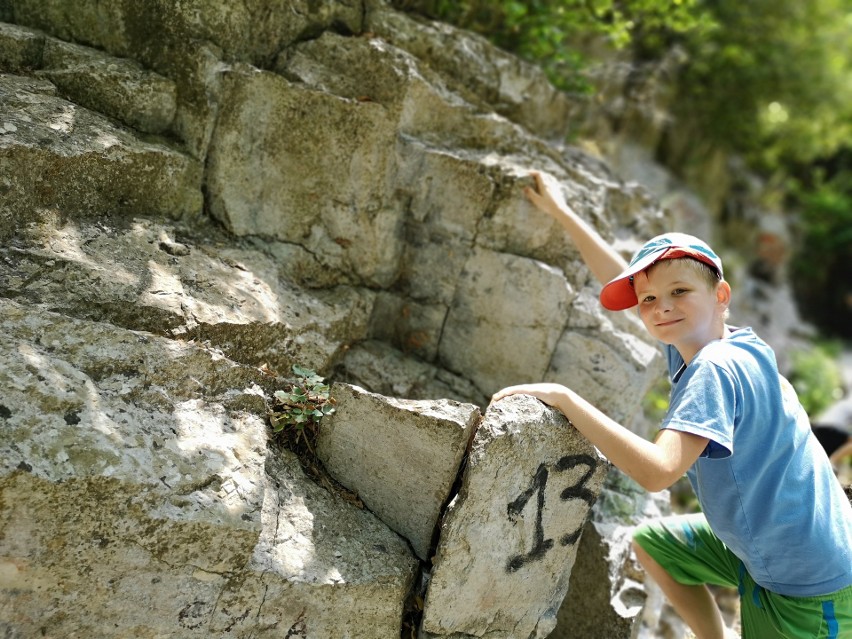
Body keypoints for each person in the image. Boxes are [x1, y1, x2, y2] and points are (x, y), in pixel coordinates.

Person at [492, 172, 852, 639]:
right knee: (653, 545)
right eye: (649, 300)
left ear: (720, 295)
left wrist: (565, 399)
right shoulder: (716, 340)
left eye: (679, 292)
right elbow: (621, 281)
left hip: (807, 583)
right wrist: (563, 214)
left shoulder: (713, 369)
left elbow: (659, 471)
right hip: (771, 545)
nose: (661, 307)